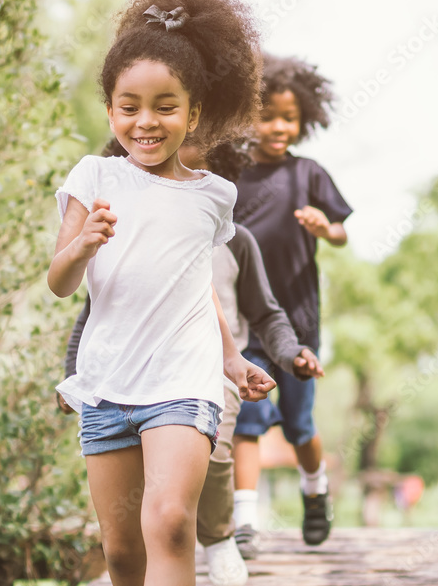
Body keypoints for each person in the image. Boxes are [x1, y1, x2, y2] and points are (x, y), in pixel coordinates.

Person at [47, 0, 276, 586]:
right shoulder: (93, 179)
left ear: (194, 112)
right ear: (110, 109)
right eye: (129, 106)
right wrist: (83, 244)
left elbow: (195, 284)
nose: (145, 121)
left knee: (170, 521)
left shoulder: (213, 196)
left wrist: (230, 360)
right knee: (122, 552)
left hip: (183, 381)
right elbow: (59, 282)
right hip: (109, 382)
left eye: (165, 106)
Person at [58, 138, 324, 586]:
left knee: (186, 497)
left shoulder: (225, 220)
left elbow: (255, 308)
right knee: (123, 549)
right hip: (116, 381)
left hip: (196, 375)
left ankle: (220, 538)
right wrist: (73, 374)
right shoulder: (115, 205)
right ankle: (197, 541)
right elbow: (94, 308)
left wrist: (262, 356)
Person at [231, 54, 353, 558]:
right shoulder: (231, 175)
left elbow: (342, 232)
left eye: (288, 117)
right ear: (246, 117)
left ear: (303, 120)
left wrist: (327, 229)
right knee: (246, 422)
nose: (278, 126)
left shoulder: (309, 174)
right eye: (267, 115)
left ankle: (315, 490)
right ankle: (244, 522)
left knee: (300, 424)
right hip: (245, 323)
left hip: (298, 322)